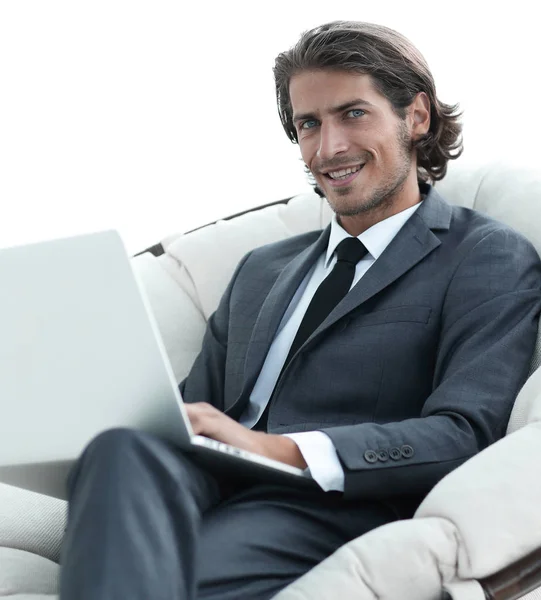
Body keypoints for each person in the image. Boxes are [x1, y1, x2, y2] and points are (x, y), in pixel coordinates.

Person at [59, 20, 541, 600]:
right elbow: (193, 413)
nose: (327, 147)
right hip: (204, 483)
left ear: (416, 117)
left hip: (324, 500)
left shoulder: (485, 255)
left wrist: (277, 450)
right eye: (308, 124)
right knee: (121, 448)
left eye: (352, 114)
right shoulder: (261, 269)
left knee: (172, 577)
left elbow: (464, 433)